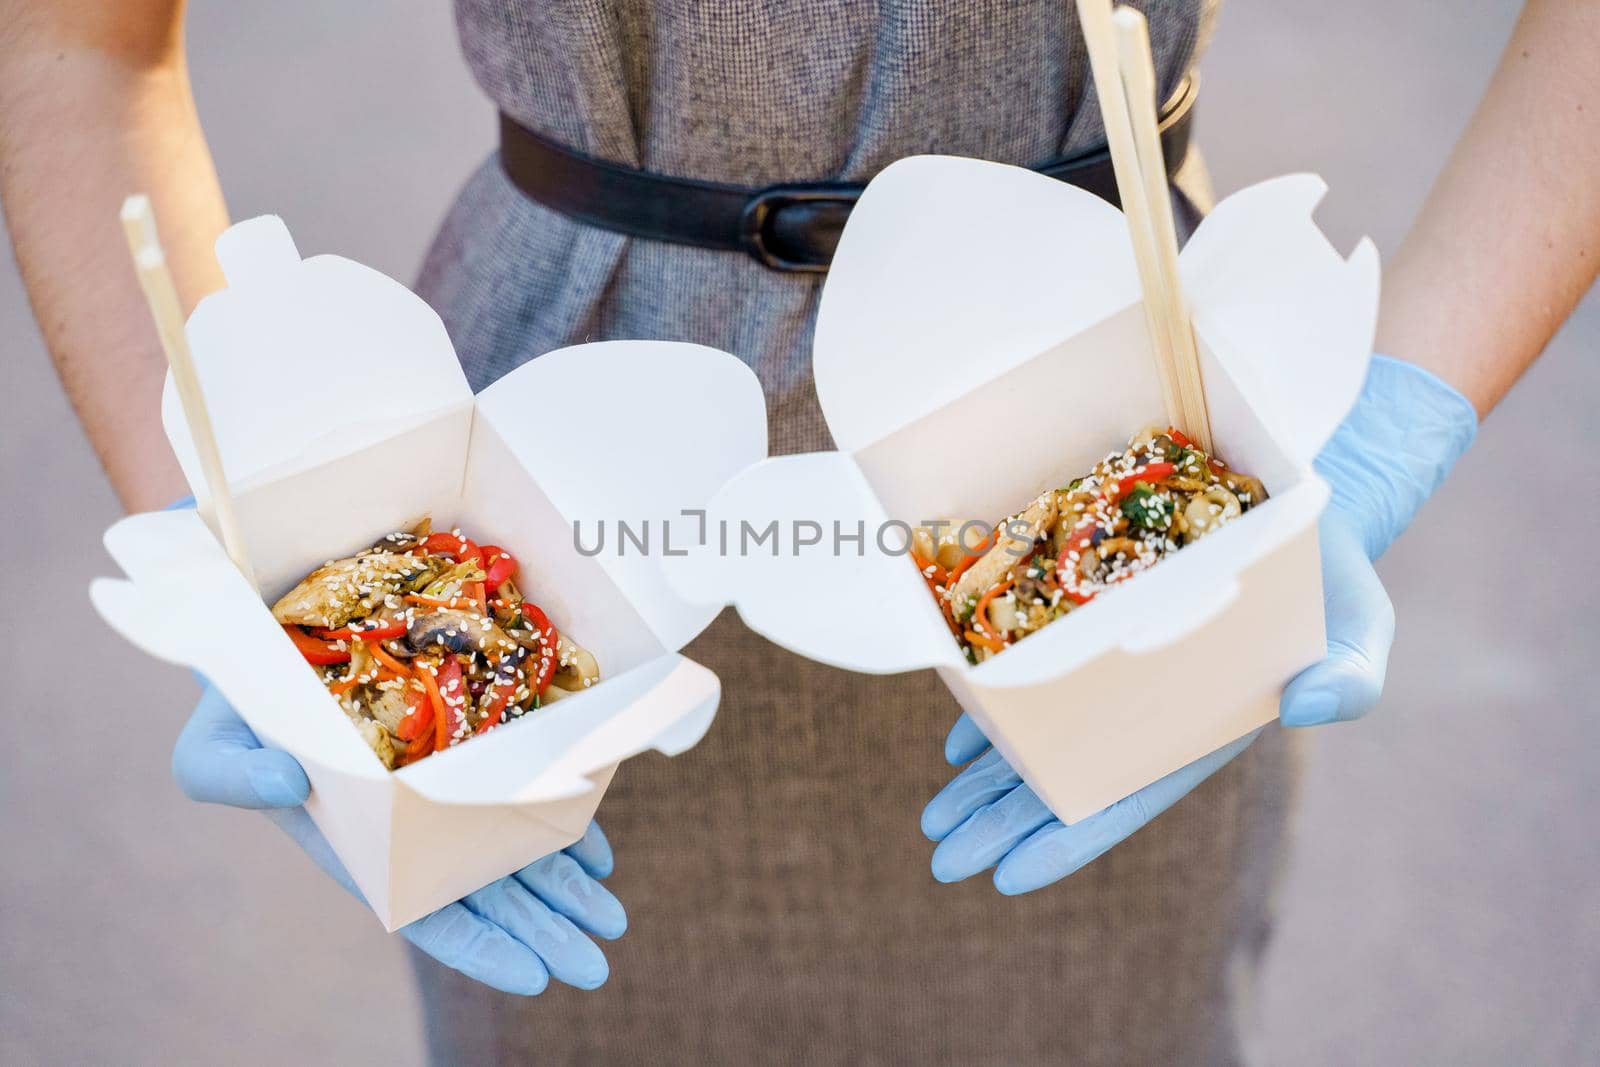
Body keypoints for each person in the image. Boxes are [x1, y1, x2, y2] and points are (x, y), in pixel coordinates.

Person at [2, 0, 1595, 1061]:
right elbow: (78, 43)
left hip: (1127, 441)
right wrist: (233, 531)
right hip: (551, 487)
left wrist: (1398, 420)